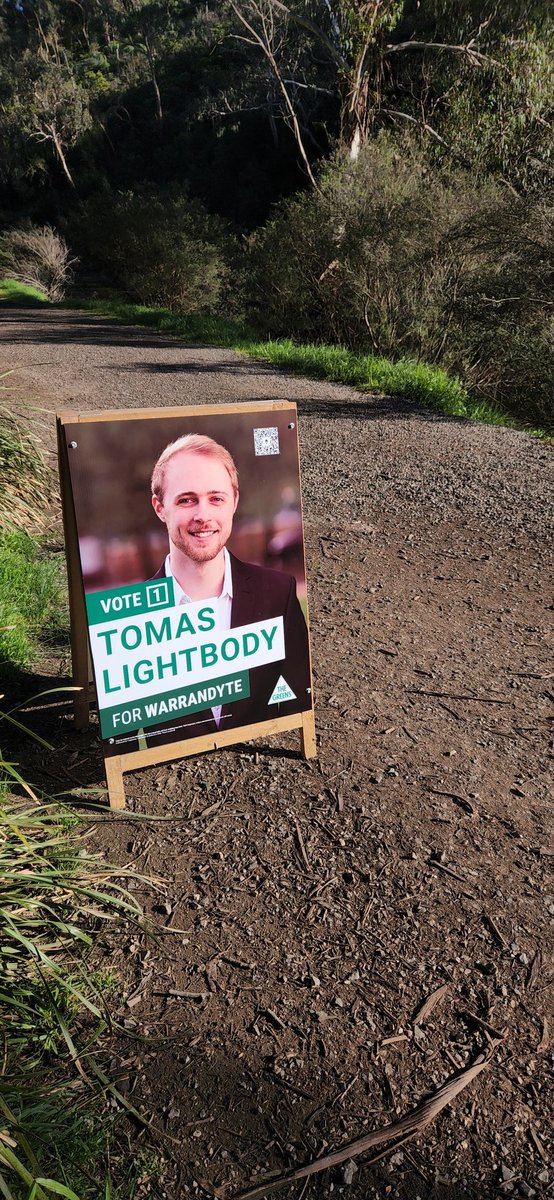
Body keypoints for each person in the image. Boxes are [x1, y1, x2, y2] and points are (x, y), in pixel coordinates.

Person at [112, 432, 311, 750]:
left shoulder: (279, 593)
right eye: (186, 499)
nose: (202, 515)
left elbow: (298, 700)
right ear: (160, 508)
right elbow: (121, 745)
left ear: (234, 501)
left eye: (215, 498)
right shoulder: (127, 619)